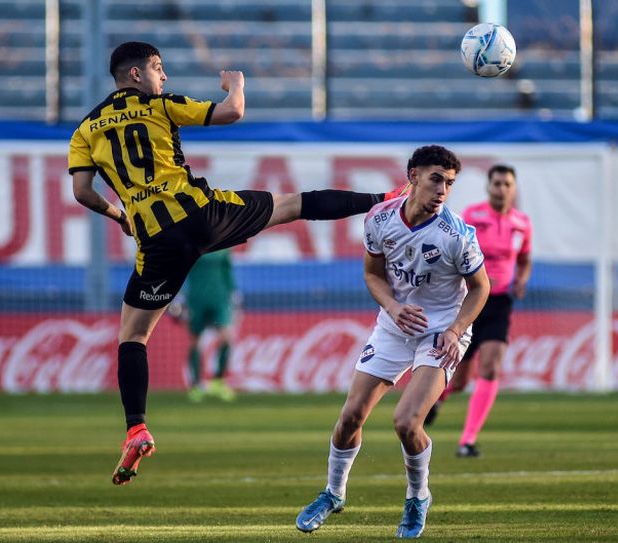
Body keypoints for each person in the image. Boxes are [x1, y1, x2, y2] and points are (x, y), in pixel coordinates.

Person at [68, 42, 402, 486]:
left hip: (157, 242)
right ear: (134, 75)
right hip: (201, 217)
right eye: (158, 68)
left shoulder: (86, 129)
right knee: (293, 204)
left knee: (132, 336)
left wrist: (120, 215)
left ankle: (136, 427)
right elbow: (231, 113)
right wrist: (237, 84)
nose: (163, 78)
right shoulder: (160, 106)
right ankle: (387, 200)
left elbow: (82, 193)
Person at [295, 145, 490, 538]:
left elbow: (481, 287)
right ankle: (334, 493)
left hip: (440, 331)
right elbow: (372, 274)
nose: (443, 191)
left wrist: (454, 330)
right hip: (394, 325)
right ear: (413, 176)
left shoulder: (457, 235)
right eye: (436, 179)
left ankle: (418, 497)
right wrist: (393, 307)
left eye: (450, 184)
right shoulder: (379, 219)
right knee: (350, 416)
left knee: (406, 421)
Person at [423, 164, 532, 459]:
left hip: (500, 304)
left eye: (507, 184)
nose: (501, 189)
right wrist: (478, 277)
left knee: (492, 366)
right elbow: (455, 254)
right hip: (471, 301)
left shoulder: (522, 223)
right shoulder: (472, 216)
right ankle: (436, 400)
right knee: (458, 380)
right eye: (497, 183)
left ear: (514, 188)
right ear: (488, 187)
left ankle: (467, 441)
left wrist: (521, 280)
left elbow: (524, 258)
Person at [167, 249, 238, 402]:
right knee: (195, 341)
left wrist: (234, 294)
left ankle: (218, 381)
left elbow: (227, 272)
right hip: (196, 299)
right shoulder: (192, 243)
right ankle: (196, 385)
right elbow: (178, 271)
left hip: (220, 299)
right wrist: (176, 296)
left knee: (227, 338)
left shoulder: (225, 244)